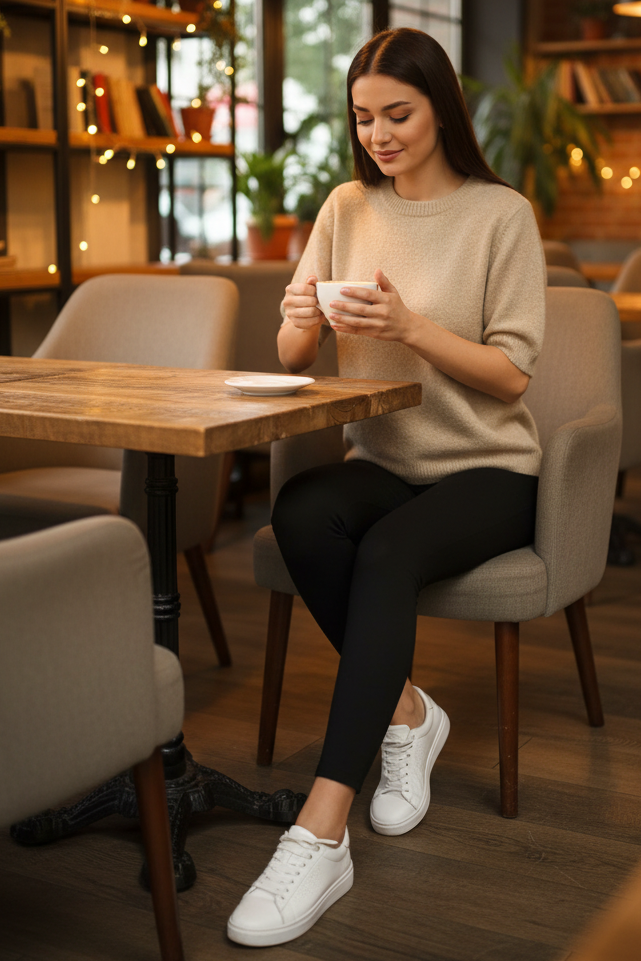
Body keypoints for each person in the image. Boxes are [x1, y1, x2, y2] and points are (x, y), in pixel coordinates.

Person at [227, 27, 545, 948]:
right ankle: (408, 709)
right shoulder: (343, 206)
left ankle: (320, 829)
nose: (379, 134)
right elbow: (294, 359)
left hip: (491, 467)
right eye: (363, 117)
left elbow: (513, 377)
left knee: (390, 552)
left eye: (397, 114)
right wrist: (295, 322)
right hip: (386, 464)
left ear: (441, 107)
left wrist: (408, 326)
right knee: (300, 511)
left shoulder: (501, 215)